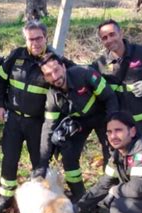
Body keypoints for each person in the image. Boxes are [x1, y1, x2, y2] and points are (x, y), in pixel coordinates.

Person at [0, 21, 72, 213]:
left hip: (39, 123)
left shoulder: (54, 61)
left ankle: (43, 199)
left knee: (39, 161)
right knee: (9, 159)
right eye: (30, 39)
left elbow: (73, 78)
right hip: (13, 119)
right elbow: (0, 81)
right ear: (25, 40)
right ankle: (6, 196)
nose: (35, 42)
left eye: (38, 38)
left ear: (45, 37)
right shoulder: (15, 56)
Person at [35, 53, 119, 202]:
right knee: (68, 155)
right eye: (49, 74)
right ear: (45, 77)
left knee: (111, 155)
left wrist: (113, 125)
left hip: (102, 117)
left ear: (63, 67)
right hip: (79, 123)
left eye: (56, 70)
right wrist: (41, 164)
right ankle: (81, 197)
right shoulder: (52, 97)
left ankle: (110, 196)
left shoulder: (85, 74)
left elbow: (109, 98)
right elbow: (48, 128)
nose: (55, 77)